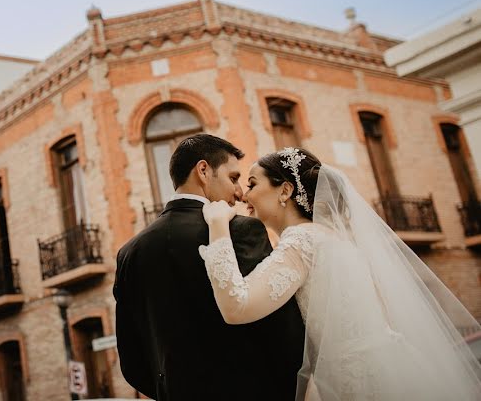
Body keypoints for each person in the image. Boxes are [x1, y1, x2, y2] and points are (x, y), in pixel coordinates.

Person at [200, 147, 481, 400]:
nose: (244, 195)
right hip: (388, 369)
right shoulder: (336, 241)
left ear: (285, 191)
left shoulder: (302, 242)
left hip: (358, 385)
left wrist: (218, 227)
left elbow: (236, 307)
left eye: (252, 184)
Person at [114, 134, 305, 400]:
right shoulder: (240, 230)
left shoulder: (128, 254)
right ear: (203, 170)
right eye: (233, 178)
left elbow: (131, 360)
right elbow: (283, 333)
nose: (239, 194)